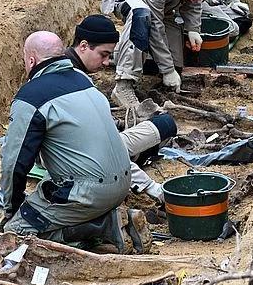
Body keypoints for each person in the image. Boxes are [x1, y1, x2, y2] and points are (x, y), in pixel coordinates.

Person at [0, 32, 148, 253]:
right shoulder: (83, 81)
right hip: (124, 182)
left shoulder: (31, 97)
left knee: (17, 231)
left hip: (88, 192)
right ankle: (108, 216)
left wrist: (12, 209)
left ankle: (104, 228)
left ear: (31, 60)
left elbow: (15, 164)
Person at [67, 16, 176, 203]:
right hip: (80, 157)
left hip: (92, 147)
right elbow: (104, 150)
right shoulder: (73, 83)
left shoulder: (76, 74)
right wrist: (153, 187)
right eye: (104, 54)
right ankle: (141, 171)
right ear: (84, 46)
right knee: (148, 137)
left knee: (165, 124)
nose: (107, 62)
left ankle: (135, 156)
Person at [100, 0, 213, 111]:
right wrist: (167, 70)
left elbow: (195, 1)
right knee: (141, 17)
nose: (192, 1)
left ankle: (153, 69)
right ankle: (124, 84)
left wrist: (193, 28)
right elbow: (155, 25)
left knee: (175, 55)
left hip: (165, 0)